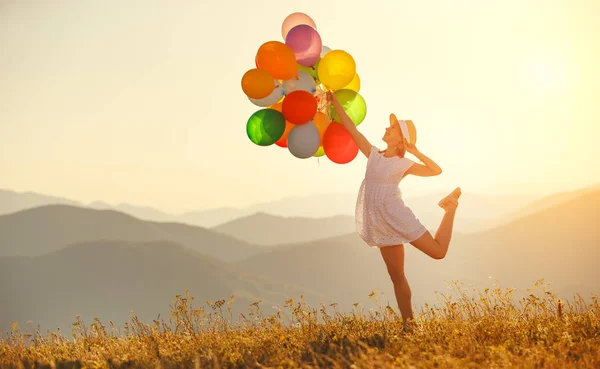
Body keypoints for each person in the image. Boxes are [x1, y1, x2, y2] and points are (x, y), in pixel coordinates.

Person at [328, 91, 462, 331]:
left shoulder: (404, 163)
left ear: (401, 140)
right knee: (396, 276)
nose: (387, 129)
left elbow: (435, 171)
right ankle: (409, 325)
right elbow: (352, 129)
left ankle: (449, 208)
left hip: (397, 215)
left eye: (393, 128)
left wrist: (415, 151)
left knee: (438, 252)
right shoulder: (373, 155)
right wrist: (335, 102)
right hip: (379, 222)